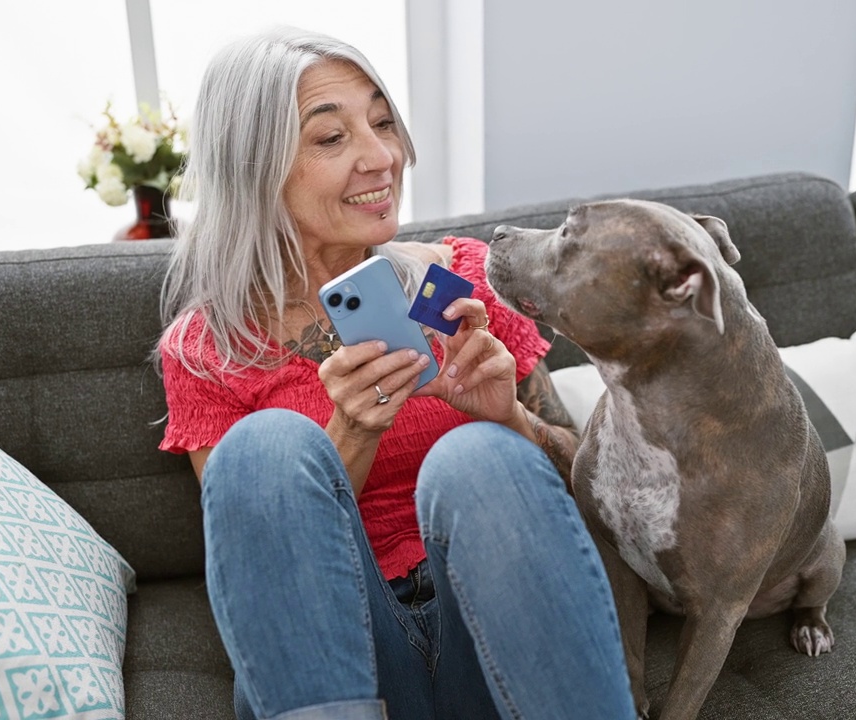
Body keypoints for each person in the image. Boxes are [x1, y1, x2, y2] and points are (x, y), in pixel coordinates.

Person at [157, 26, 636, 720]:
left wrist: (508, 417)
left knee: (478, 454)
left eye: (383, 123)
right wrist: (349, 433)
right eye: (331, 138)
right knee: (263, 450)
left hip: (497, 643)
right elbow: (266, 553)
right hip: (344, 653)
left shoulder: (465, 278)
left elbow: (591, 490)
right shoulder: (208, 349)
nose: (383, 157)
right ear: (252, 166)